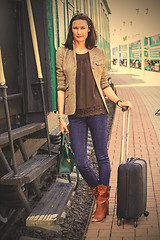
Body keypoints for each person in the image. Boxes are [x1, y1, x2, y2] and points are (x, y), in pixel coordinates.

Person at [56, 13, 132, 222]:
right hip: (76, 115)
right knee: (81, 161)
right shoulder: (62, 53)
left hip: (98, 111)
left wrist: (118, 101)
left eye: (82, 28)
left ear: (89, 29)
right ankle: (100, 194)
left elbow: (104, 84)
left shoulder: (99, 53)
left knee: (102, 157)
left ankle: (102, 203)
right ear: (71, 30)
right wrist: (61, 117)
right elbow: (61, 85)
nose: (79, 32)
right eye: (75, 28)